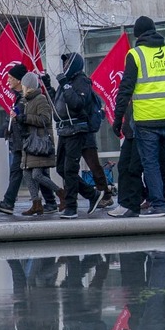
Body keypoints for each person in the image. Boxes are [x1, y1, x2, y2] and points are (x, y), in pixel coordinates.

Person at [113, 15, 165, 216]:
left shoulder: (135, 54)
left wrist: (118, 118)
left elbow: (125, 90)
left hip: (146, 119)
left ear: (137, 34)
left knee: (150, 164)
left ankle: (158, 205)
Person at [52, 52, 105, 217]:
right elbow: (58, 104)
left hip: (76, 129)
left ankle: (71, 207)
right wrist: (48, 85)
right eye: (64, 63)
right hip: (64, 130)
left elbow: (77, 103)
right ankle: (92, 194)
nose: (65, 65)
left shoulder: (81, 81)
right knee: (61, 167)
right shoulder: (65, 83)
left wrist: (65, 85)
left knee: (70, 168)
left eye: (68, 62)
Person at [16, 71, 60, 214]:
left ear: (28, 86)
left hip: (40, 144)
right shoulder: (27, 101)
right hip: (31, 143)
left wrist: (26, 118)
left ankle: (61, 193)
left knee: (37, 175)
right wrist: (19, 119)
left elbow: (45, 119)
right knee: (27, 173)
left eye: (23, 85)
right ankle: (36, 203)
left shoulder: (40, 99)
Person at [0, 63, 31, 214]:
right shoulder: (18, 98)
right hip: (19, 141)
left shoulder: (26, 98)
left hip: (26, 141)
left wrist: (18, 120)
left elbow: (30, 118)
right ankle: (50, 201)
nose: (7, 80)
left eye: (10, 78)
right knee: (33, 174)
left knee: (34, 174)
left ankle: (8, 202)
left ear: (19, 80)